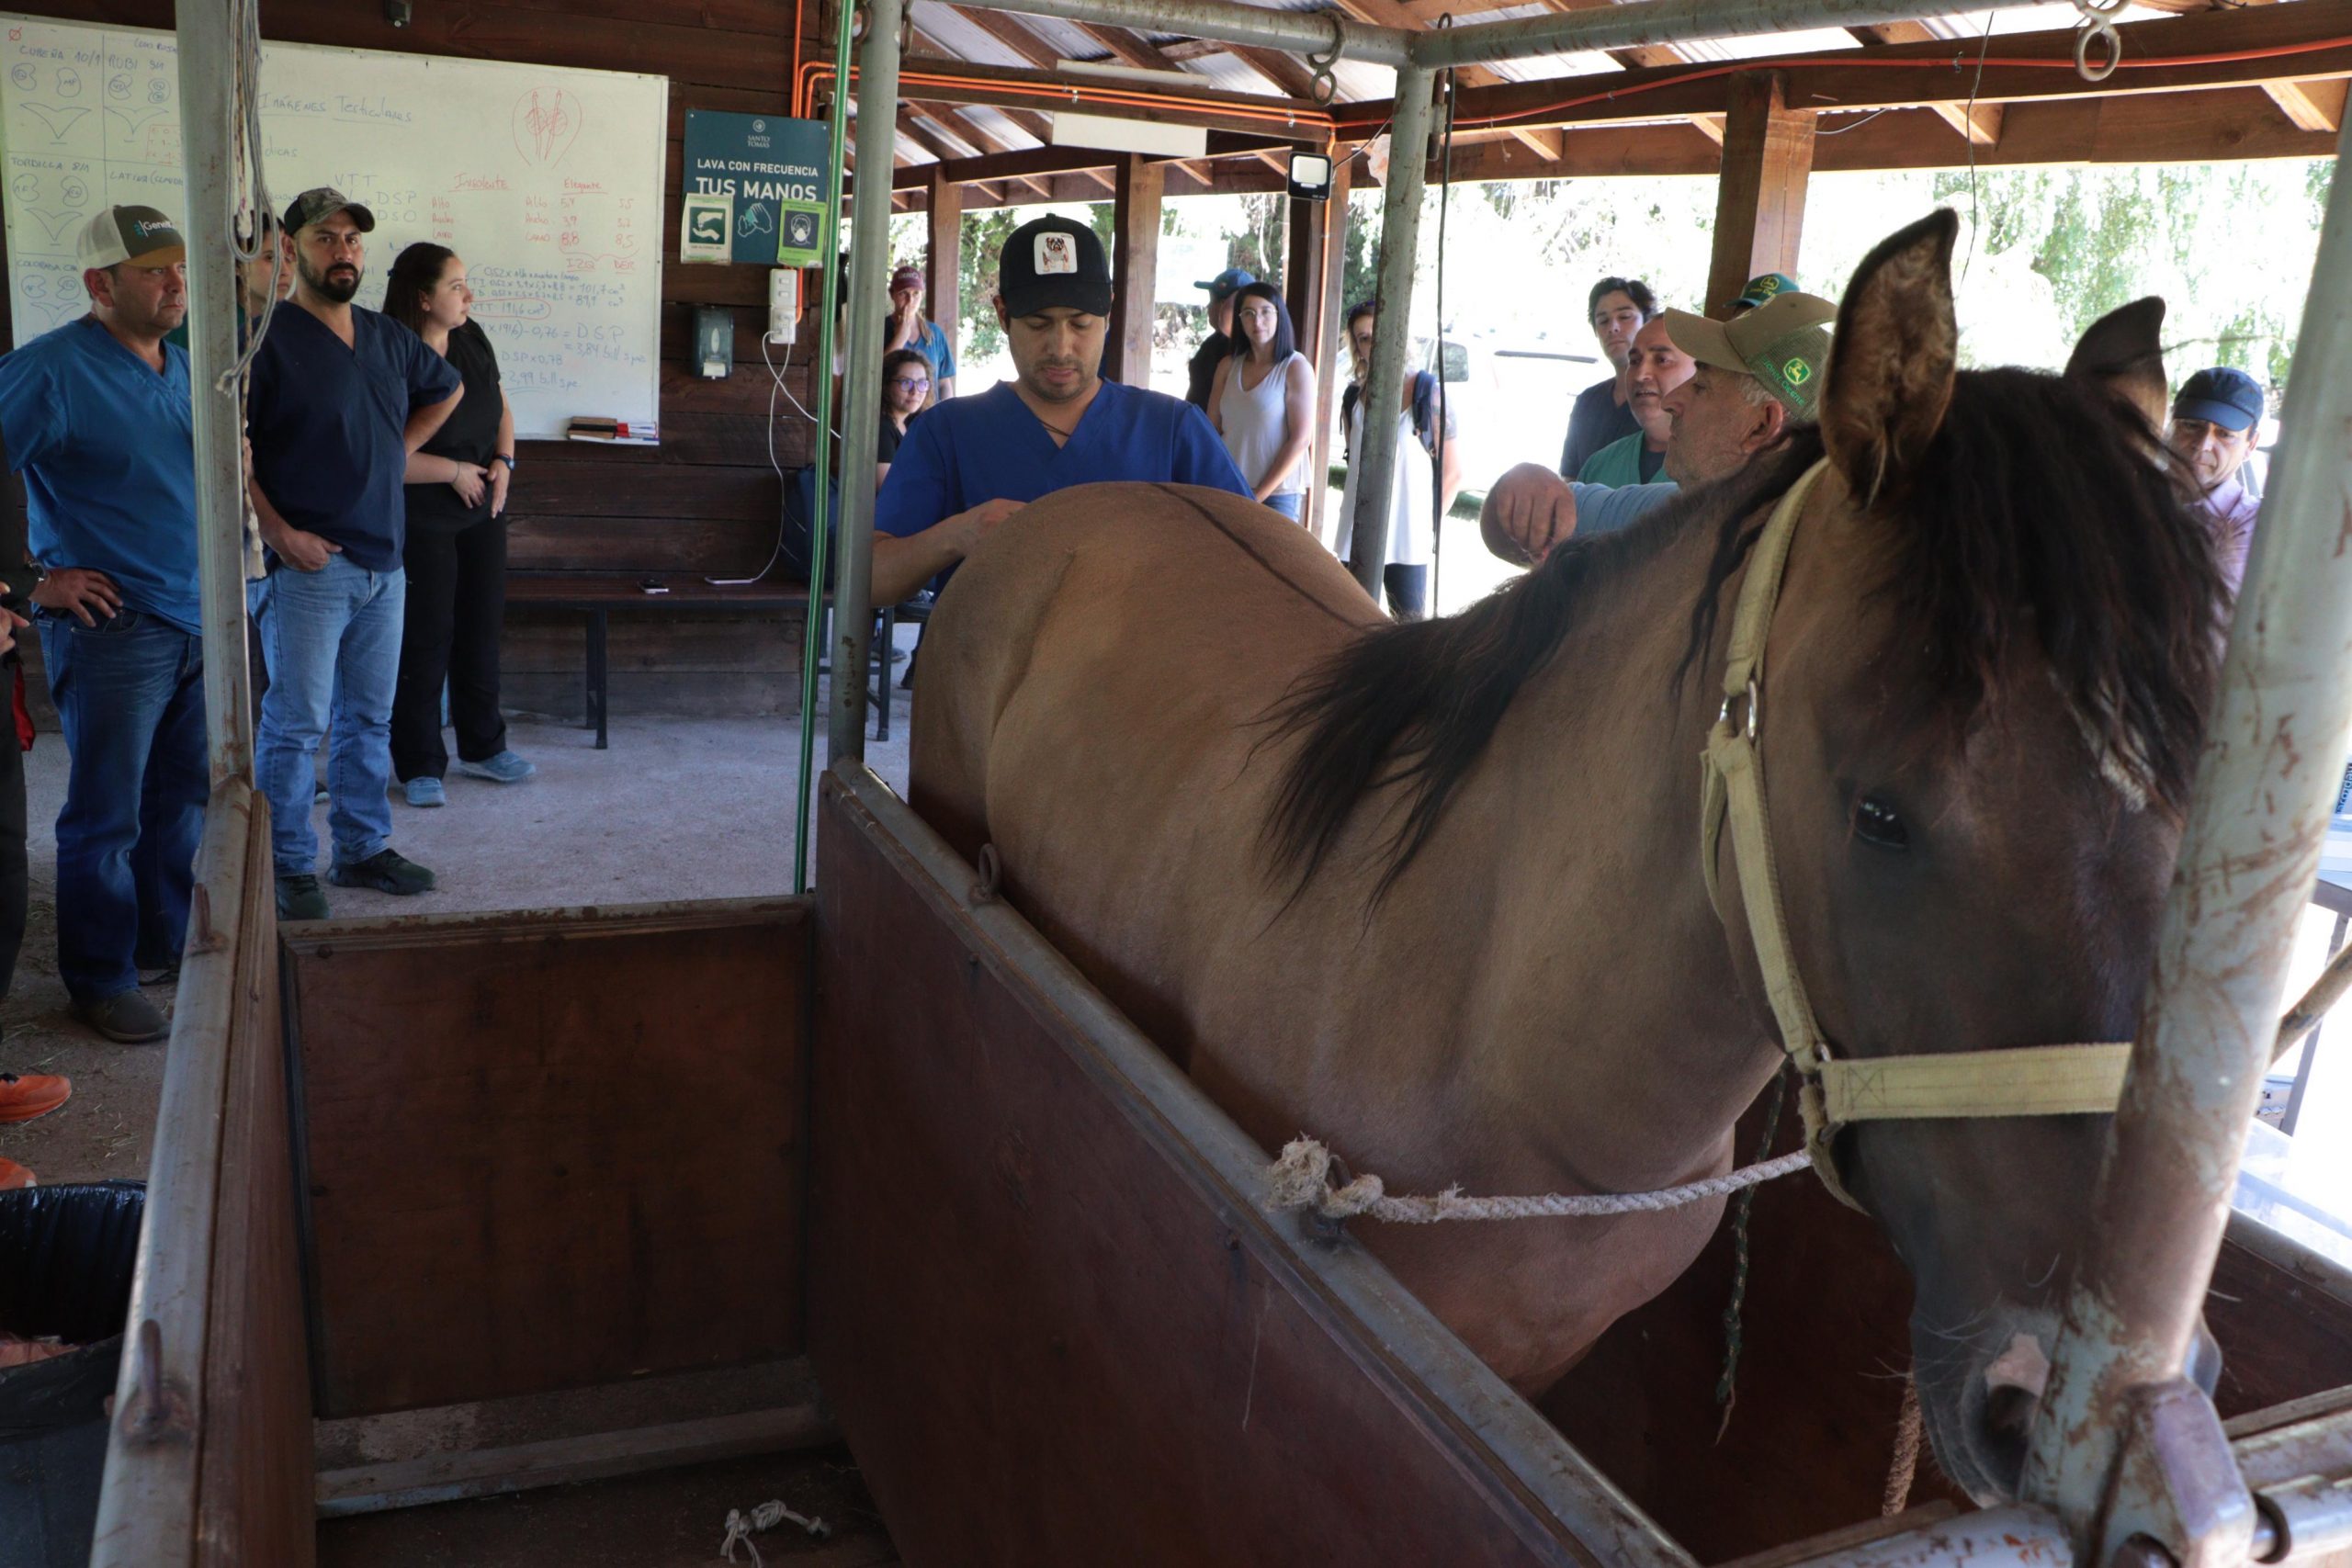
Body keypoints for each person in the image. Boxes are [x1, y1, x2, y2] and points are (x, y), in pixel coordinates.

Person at [0, 206, 199, 1044]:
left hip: (197, 615)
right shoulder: (48, 370)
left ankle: (164, 943)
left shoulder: (185, 365)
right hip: (115, 625)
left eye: (179, 268)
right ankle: (100, 975)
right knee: (107, 812)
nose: (176, 284)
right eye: (154, 271)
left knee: (181, 799)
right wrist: (34, 584)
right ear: (100, 283)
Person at [246, 187, 463, 920]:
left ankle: (362, 847)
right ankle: (285, 863)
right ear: (290, 250)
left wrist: (395, 451)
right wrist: (277, 533)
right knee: (297, 723)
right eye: (324, 238)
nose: (342, 250)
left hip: (383, 564)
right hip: (308, 565)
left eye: (352, 239)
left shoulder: (383, 335)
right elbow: (229, 452)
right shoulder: (263, 337)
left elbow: (449, 387)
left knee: (369, 719)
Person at [872, 215, 1250, 608]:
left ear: (1108, 315)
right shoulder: (946, 431)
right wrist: (959, 534)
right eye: (1038, 324)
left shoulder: (1171, 429)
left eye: (1080, 324)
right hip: (978, 667)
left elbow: (1258, 558)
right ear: (1003, 315)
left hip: (1138, 668)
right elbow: (873, 581)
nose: (1061, 347)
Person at [1486, 289, 1835, 568]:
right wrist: (1520, 487)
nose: (1671, 401)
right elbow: (1559, 512)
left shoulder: (1817, 567)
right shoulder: (1679, 510)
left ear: (1761, 426)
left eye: (1701, 386)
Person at [381, 243, 534, 811]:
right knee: (424, 639)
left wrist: (504, 463)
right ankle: (419, 762)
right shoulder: (391, 355)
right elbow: (386, 456)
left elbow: (501, 406)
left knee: (480, 628)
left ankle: (484, 747)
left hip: (482, 508)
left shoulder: (471, 339)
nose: (468, 295)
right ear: (424, 298)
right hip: (421, 515)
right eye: (455, 286)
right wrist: (453, 472)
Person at [1334, 299, 1461, 620]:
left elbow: (1453, 473)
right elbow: (1356, 465)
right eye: (1362, 338)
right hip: (1357, 534)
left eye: (1378, 334)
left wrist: (1426, 526)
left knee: (1409, 633)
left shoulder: (1427, 391)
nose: (1371, 344)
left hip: (1408, 539)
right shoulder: (1354, 397)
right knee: (1346, 624)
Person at [1208, 282, 1315, 522]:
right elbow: (1211, 429)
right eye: (1249, 313)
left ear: (1279, 315)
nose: (1257, 321)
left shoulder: (1295, 367)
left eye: (1266, 311)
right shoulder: (1227, 366)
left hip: (1278, 494)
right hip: (1231, 487)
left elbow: (1300, 439)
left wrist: (1258, 495)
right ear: (1240, 320)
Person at [2166, 366, 2265, 597]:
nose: (2203, 445)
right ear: (2171, 426)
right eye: (2191, 426)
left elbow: (2205, 611)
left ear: (2250, 445)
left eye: (2225, 434)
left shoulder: (2253, 524)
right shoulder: (2133, 494)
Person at [1577, 314, 1692, 488]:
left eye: (1662, 360)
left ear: (1702, 374)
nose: (1640, 375)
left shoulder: (1725, 468)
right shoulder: (1599, 465)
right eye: (1635, 361)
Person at [1557, 276, 1655, 479]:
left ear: (1647, 322)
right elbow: (1570, 477)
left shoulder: (1663, 399)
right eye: (1603, 321)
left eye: (1625, 316)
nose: (1613, 327)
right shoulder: (1587, 402)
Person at [1185, 266, 1255, 412]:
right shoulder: (1213, 342)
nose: (1208, 306)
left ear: (1226, 305)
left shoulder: (1248, 350)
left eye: (1212, 300)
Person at [884, 265, 956, 402]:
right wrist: (900, 339)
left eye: (915, 293)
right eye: (903, 293)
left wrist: (945, 415)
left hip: (929, 417)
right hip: (891, 417)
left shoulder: (934, 333)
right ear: (892, 294)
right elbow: (873, 375)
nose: (910, 300)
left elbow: (944, 383)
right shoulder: (880, 329)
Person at [876, 347, 931, 492]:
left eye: (922, 383)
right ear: (886, 384)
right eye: (906, 383)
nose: (915, 391)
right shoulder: (882, 427)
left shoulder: (912, 423)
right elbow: (888, 488)